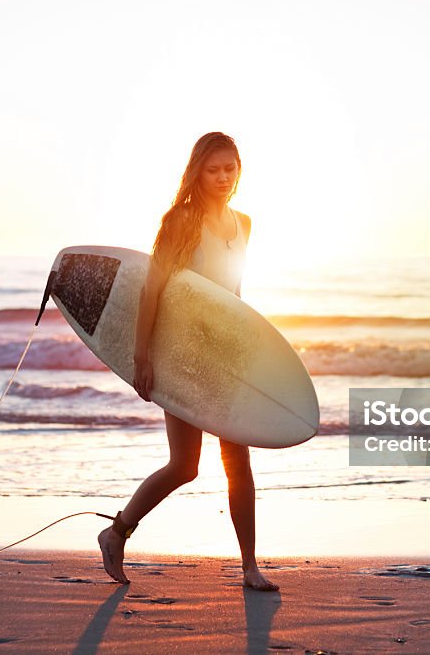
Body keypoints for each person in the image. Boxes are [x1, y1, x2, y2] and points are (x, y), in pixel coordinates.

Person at [97, 132, 278, 592]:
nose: (221, 177)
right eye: (212, 169)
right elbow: (153, 289)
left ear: (239, 170)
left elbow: (232, 297)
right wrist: (142, 356)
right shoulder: (181, 220)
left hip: (226, 358)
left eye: (229, 168)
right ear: (197, 171)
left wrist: (252, 350)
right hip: (181, 355)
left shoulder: (245, 223)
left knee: (239, 461)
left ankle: (250, 567)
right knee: (186, 466)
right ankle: (117, 532)